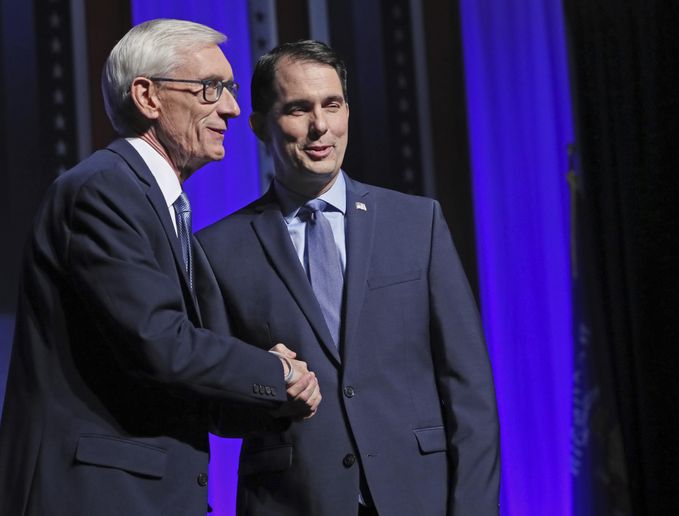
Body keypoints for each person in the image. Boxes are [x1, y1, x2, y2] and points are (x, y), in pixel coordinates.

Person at [0, 20, 320, 516]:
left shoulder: (162, 207)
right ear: (147, 96)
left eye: (228, 90)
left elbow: (179, 378)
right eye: (211, 88)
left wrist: (275, 394)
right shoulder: (103, 191)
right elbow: (160, 343)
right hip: (99, 497)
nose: (230, 107)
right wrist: (275, 373)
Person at [195, 40, 500, 515]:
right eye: (298, 108)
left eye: (331, 105)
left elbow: (469, 392)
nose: (321, 126)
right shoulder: (216, 251)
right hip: (293, 502)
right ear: (259, 126)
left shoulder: (418, 223)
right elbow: (217, 409)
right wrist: (268, 383)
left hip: (418, 498)